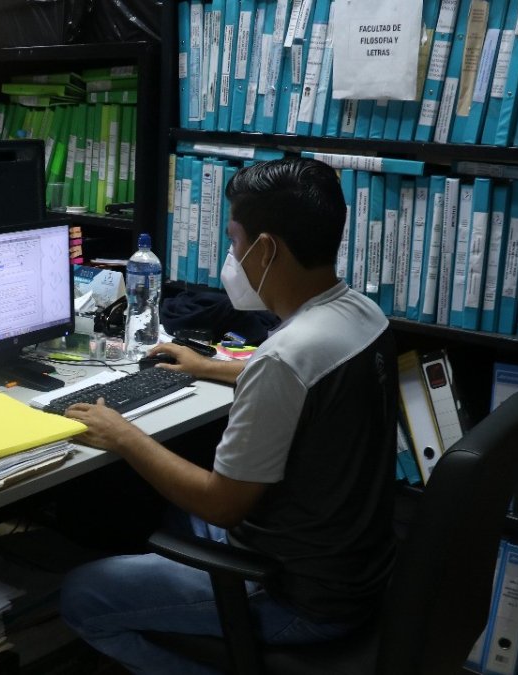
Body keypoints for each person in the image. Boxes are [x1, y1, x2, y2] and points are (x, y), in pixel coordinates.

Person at [60, 158, 398, 674]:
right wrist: (208, 367)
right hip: (353, 570)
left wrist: (124, 436)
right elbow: (308, 386)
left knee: (83, 594)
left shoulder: (284, 359)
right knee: (171, 516)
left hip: (294, 596)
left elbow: (221, 505)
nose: (232, 256)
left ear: (266, 249)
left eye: (235, 240)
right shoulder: (361, 313)